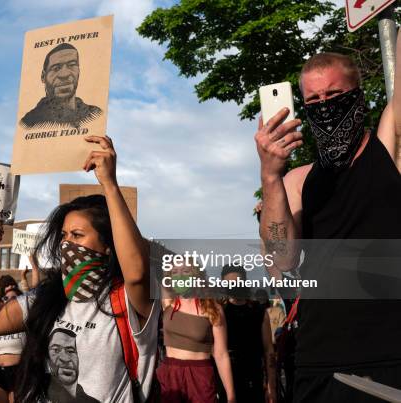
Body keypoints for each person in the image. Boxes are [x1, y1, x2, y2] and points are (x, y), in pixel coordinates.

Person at [0, 135, 160, 402]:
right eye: (64, 235)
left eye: (77, 235)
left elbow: (136, 271)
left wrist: (110, 186)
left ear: (109, 245)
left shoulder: (128, 299)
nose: (67, 243)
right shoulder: (48, 296)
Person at [255, 51, 401, 401]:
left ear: (359, 95)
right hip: (318, 363)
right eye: (313, 100)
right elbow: (281, 259)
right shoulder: (296, 180)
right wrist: (270, 175)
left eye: (334, 96)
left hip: (388, 358)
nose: (324, 106)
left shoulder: (389, 147)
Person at [157, 264, 235, 403]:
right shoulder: (168, 302)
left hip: (200, 376)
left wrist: (231, 396)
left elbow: (221, 354)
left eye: (185, 271)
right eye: (175, 272)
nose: (180, 275)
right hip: (170, 375)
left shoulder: (213, 309)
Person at [221, 265, 276, 403]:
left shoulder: (259, 311)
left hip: (254, 380)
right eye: (229, 283)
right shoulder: (220, 312)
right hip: (227, 382)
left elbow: (269, 350)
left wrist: (272, 388)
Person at [20, 43, 102, 129]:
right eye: (56, 68)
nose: (64, 74)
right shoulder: (29, 123)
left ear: (79, 72)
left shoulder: (94, 114)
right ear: (43, 77)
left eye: (72, 65)